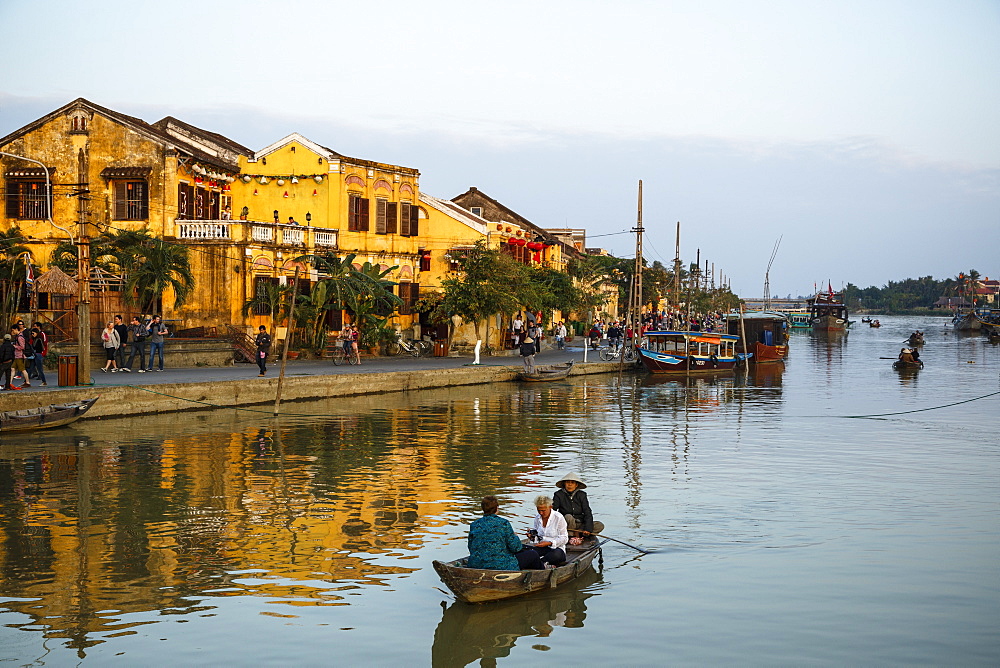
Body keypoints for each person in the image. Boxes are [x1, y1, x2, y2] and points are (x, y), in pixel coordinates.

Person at [466, 495, 527, 571]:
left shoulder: (474, 525)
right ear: (497, 508)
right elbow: (516, 548)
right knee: (532, 554)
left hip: (476, 565)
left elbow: (471, 547)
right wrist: (515, 536)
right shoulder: (504, 523)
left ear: (483, 509)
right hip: (502, 566)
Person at [552, 472, 604, 544]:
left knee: (599, 525)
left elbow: (587, 512)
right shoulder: (558, 494)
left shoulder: (582, 495)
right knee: (568, 516)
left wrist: (587, 529)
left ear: (576, 485)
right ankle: (572, 536)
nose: (570, 484)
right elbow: (553, 511)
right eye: (567, 482)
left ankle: (579, 533)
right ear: (564, 484)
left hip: (580, 524)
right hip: (566, 524)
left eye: (572, 483)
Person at [523, 495, 568, 568]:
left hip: (555, 549)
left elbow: (564, 538)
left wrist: (549, 543)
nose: (541, 513)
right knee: (522, 547)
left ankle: (540, 563)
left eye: (543, 510)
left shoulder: (558, 517)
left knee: (557, 554)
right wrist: (532, 537)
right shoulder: (537, 518)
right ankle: (540, 562)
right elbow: (537, 536)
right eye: (539, 510)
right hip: (542, 548)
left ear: (550, 507)